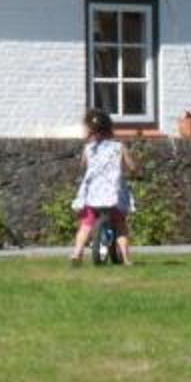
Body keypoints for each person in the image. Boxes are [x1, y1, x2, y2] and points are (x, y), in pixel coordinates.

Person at [70, 108, 132, 266]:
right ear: (109, 128)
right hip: (114, 195)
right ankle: (125, 258)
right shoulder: (119, 147)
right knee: (120, 225)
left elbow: (83, 166)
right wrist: (133, 170)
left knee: (86, 224)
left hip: (93, 195)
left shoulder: (88, 148)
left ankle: (77, 253)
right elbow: (131, 165)